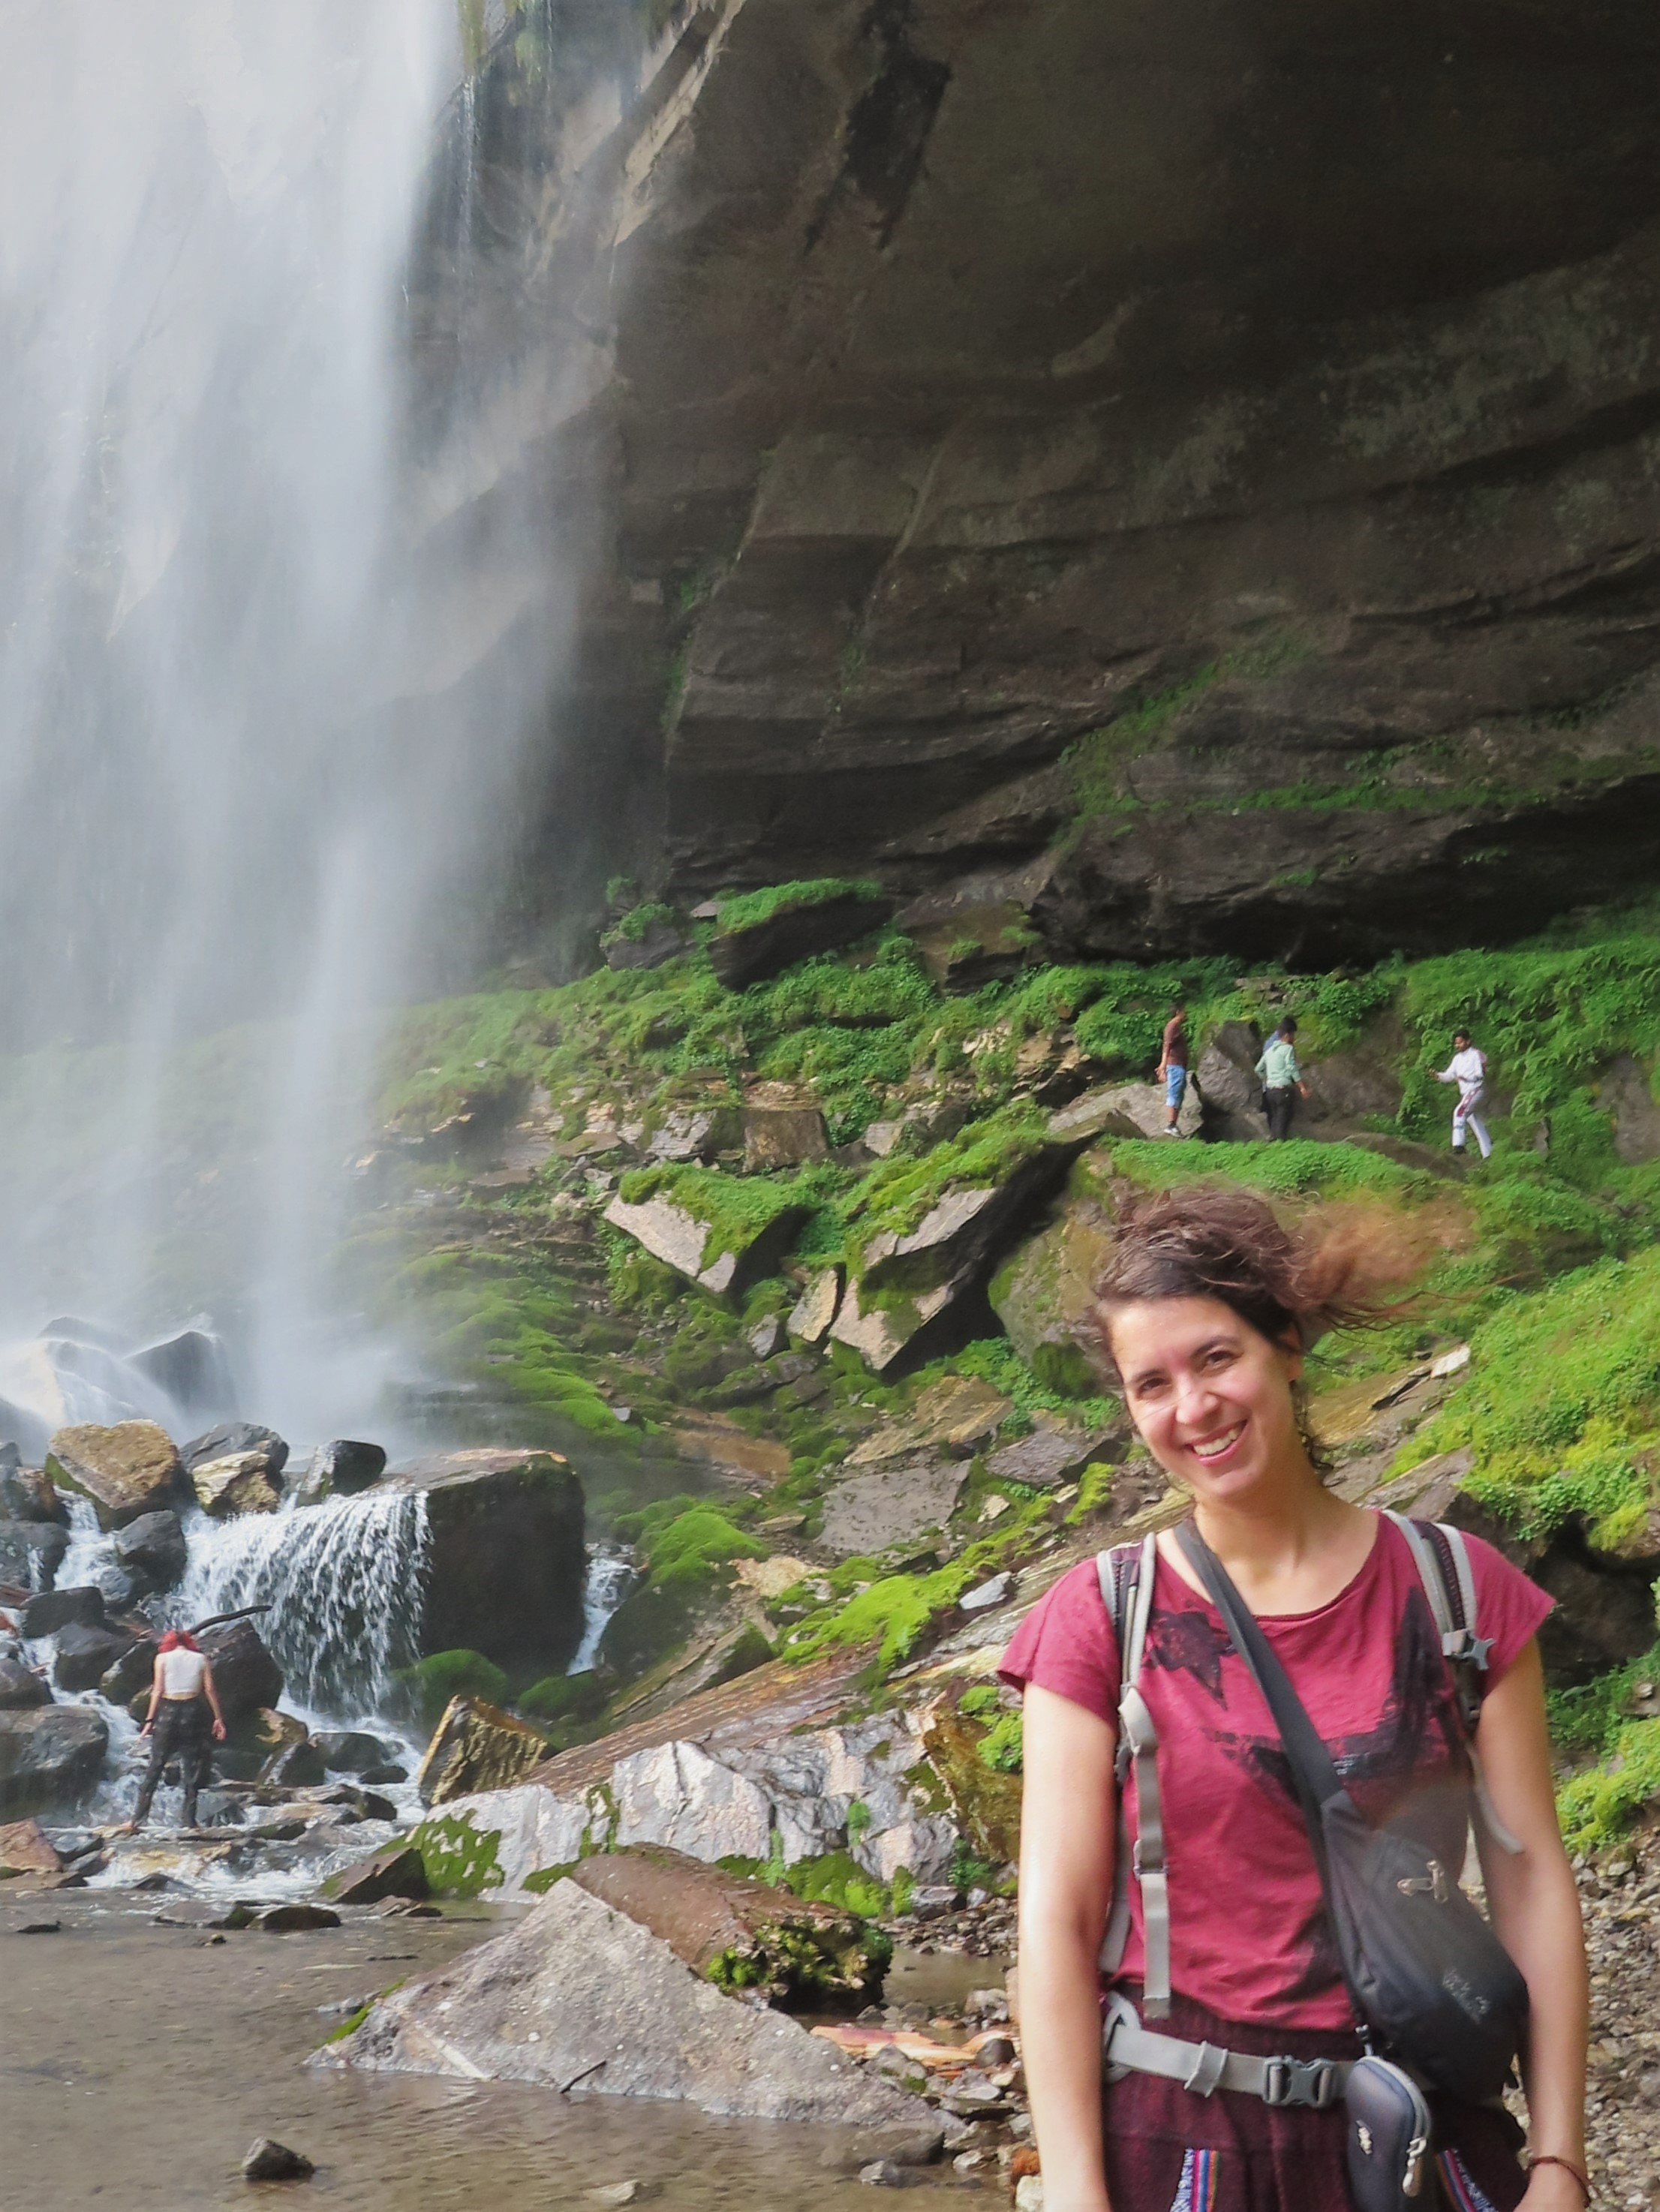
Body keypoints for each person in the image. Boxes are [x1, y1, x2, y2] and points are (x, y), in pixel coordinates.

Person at [1003, 1183, 1589, 2212]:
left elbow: (1532, 1878)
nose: (1192, 1408)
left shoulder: (1461, 1594)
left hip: (1421, 2129)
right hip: (1183, 2139)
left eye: (1216, 1358)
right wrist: (1075, 2194)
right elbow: (1054, 1925)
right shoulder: (1100, 1619)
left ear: (1287, 1347)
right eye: (1152, 1385)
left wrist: (1559, 2161)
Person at [125, 1627, 227, 1832]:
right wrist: (218, 1719)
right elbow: (209, 1690)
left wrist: (149, 1720)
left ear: (169, 1643)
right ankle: (189, 1821)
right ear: (189, 1643)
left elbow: (158, 1690)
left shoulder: (162, 1658)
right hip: (192, 1711)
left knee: (156, 1765)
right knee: (192, 1766)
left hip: (168, 1711)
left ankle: (135, 1820)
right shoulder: (201, 1658)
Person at [1437, 1029, 1493, 1160]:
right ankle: (1488, 1153)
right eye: (1456, 1043)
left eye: (1460, 1042)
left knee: (1459, 1112)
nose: (1458, 1046)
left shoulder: (1475, 1055)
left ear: (1468, 1041)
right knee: (1475, 1121)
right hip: (1466, 1094)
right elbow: (1449, 1075)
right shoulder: (1457, 1059)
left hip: (1476, 1090)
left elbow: (1480, 1074)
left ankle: (1458, 1145)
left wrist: (1465, 1078)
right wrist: (1438, 1076)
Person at [1255, 1016, 1308, 1142]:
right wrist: (1302, 1087)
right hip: (1282, 1091)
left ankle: (1274, 1144)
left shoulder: (1269, 1050)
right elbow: (1291, 1068)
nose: (1294, 1038)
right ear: (1286, 1035)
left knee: (1275, 1119)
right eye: (1292, 1035)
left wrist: (1267, 1079)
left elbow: (1258, 1069)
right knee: (1283, 1120)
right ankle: (1280, 1144)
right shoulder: (1288, 1049)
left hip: (1270, 1091)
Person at [1157, 1007, 1190, 1136]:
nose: (1186, 1014)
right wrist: (1163, 1066)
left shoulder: (1176, 1026)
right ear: (1178, 1012)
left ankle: (1174, 1126)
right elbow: (1167, 1045)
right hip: (1175, 1065)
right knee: (1174, 1093)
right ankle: (1171, 1125)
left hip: (1179, 1065)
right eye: (1184, 1011)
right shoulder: (1173, 1025)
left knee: (1178, 1095)